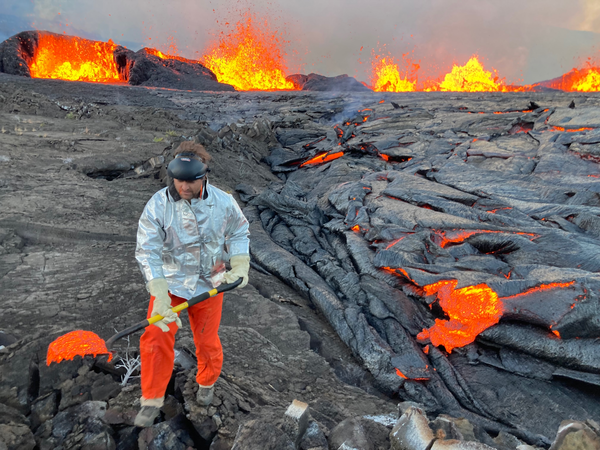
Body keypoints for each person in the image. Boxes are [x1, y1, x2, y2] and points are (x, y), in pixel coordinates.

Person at [133, 142, 250, 427]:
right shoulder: (158, 206)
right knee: (155, 337)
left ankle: (207, 382)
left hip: (211, 283)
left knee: (207, 340)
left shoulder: (223, 202)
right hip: (170, 285)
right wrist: (158, 292)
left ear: (203, 175)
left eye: (191, 180)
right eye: (179, 180)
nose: (184, 186)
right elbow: (148, 250)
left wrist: (241, 263)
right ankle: (151, 399)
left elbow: (238, 231)